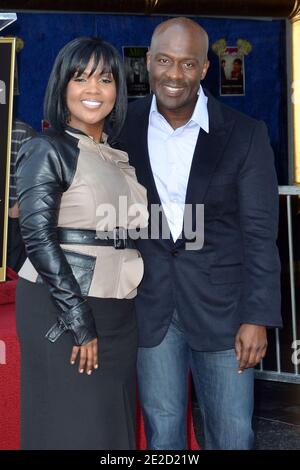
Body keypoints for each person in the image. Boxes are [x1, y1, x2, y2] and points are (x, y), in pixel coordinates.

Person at [118, 17, 282, 450]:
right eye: (165, 61)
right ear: (149, 63)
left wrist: (258, 316)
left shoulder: (245, 134)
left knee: (232, 435)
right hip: (151, 310)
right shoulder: (121, 128)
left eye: (188, 64)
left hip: (227, 316)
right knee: (162, 436)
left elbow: (261, 235)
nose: (175, 75)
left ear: (205, 69)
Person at [15, 37, 148, 450]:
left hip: (119, 309)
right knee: (75, 429)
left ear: (117, 91)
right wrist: (78, 318)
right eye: (81, 78)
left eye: (105, 79)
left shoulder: (117, 155)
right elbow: (37, 236)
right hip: (63, 304)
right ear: (62, 87)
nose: (93, 89)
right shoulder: (47, 148)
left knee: (113, 429)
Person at [7, 118, 36, 272]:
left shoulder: (22, 132)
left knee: (10, 272)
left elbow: (32, 178)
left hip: (11, 218)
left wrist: (14, 212)